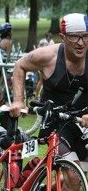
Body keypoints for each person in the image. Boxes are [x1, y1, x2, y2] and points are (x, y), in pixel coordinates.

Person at [10, 13, 88, 190]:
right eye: (75, 36)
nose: (81, 43)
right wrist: (18, 101)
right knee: (74, 178)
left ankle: (40, 187)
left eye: (85, 36)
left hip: (81, 123)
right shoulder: (49, 56)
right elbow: (19, 65)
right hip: (55, 123)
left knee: (77, 176)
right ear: (63, 37)